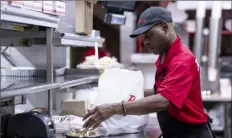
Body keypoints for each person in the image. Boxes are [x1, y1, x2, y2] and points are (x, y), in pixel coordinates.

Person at [83, 7, 216, 138]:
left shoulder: (182, 60)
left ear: (164, 28)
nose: (145, 42)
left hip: (192, 133)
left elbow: (163, 100)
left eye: (148, 36)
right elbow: (164, 91)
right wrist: (124, 92)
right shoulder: (165, 56)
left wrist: (113, 108)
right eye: (143, 37)